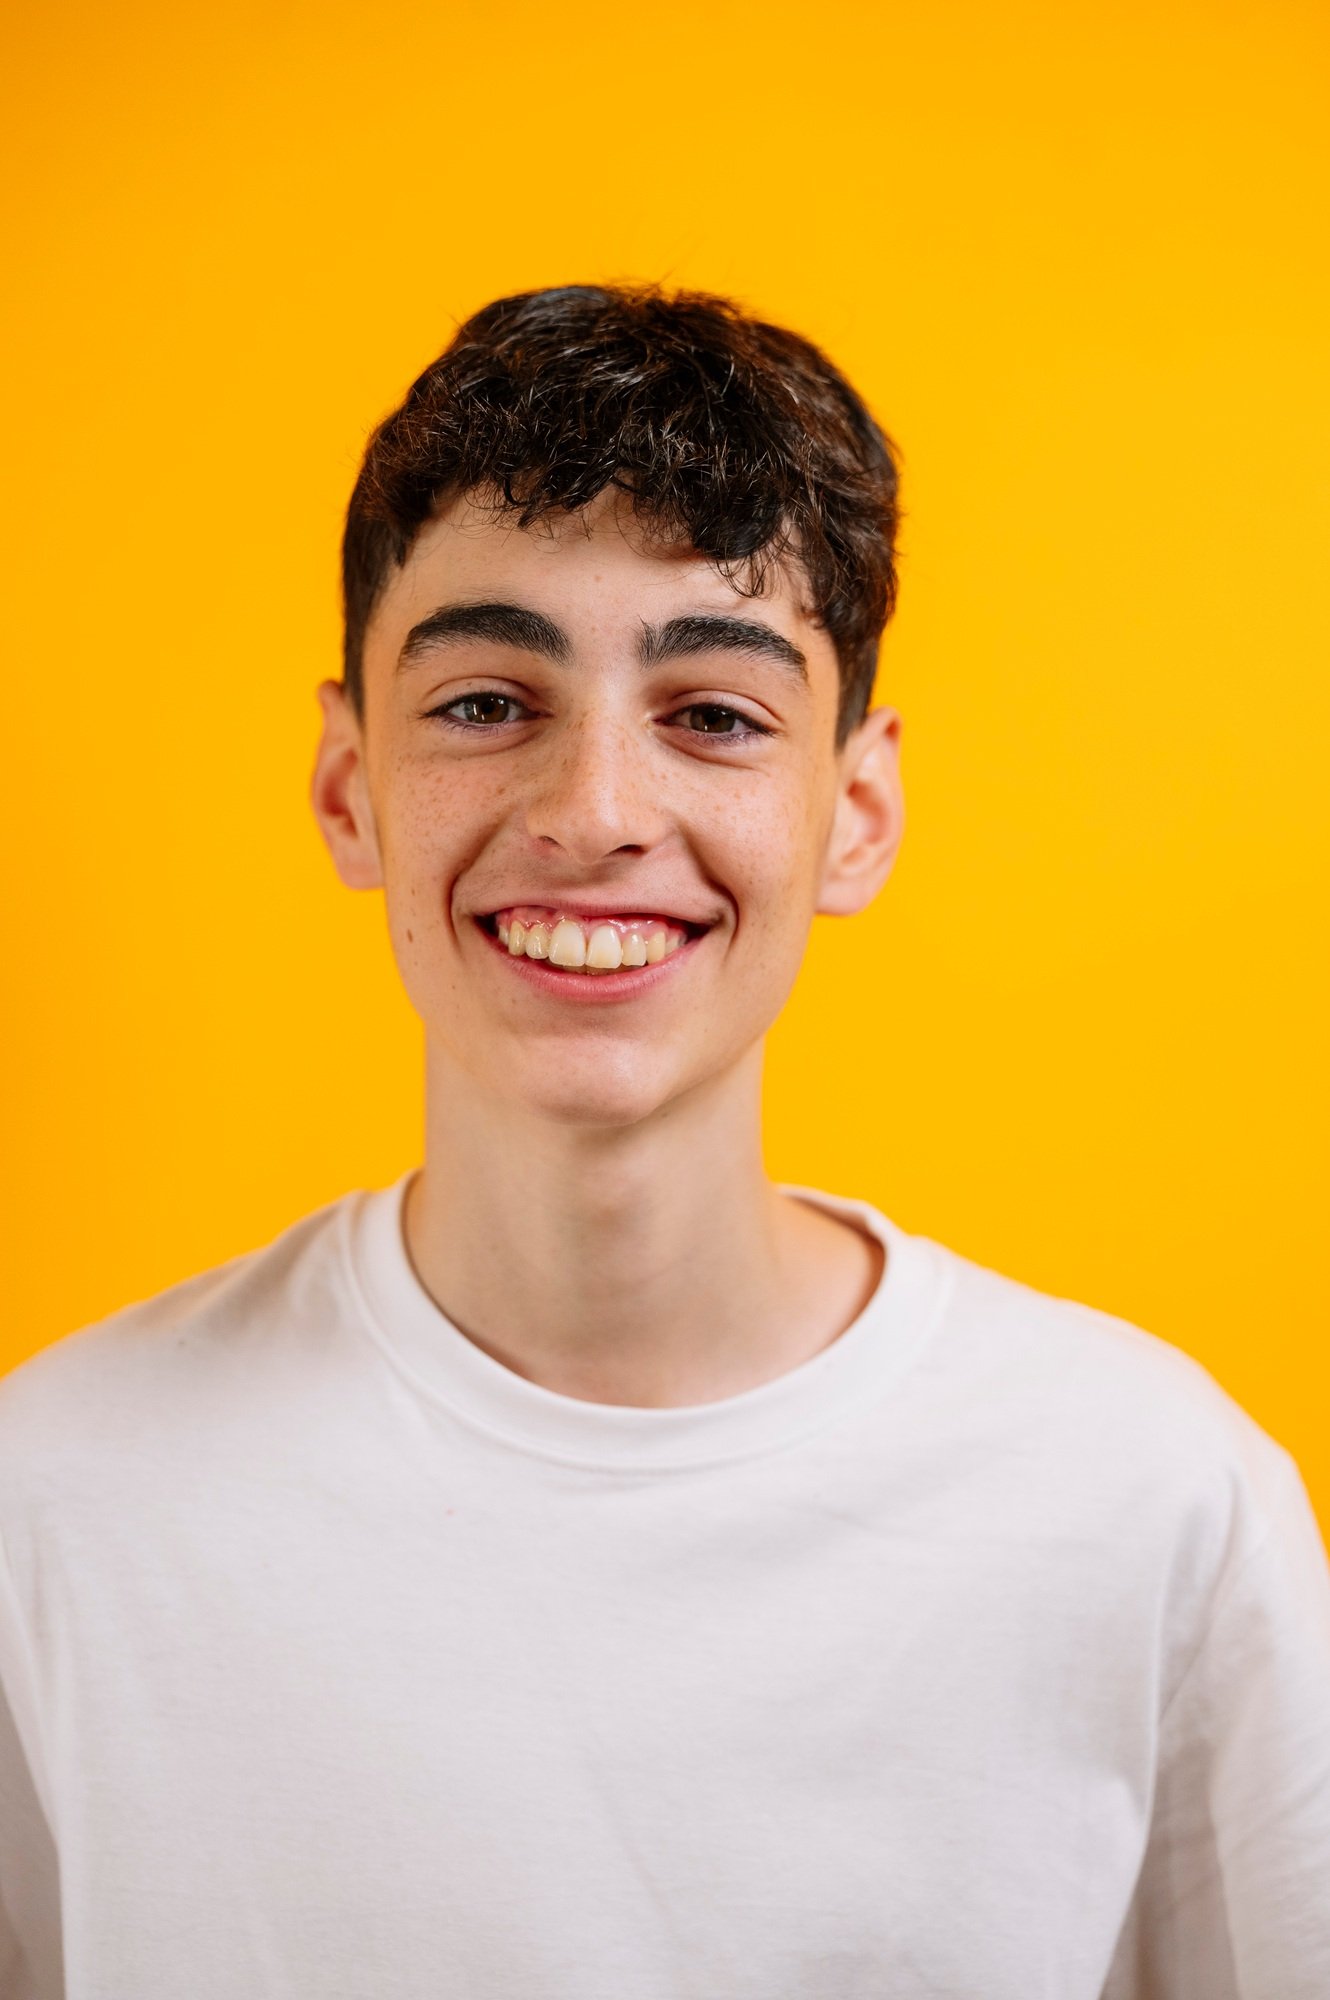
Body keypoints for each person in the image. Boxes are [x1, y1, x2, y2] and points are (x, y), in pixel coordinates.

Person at [0, 283, 1327, 2000]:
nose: (596, 814)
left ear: (854, 810)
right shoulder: (55, 1503)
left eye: (713, 714)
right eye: (486, 703)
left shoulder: (1157, 1505)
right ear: (348, 788)